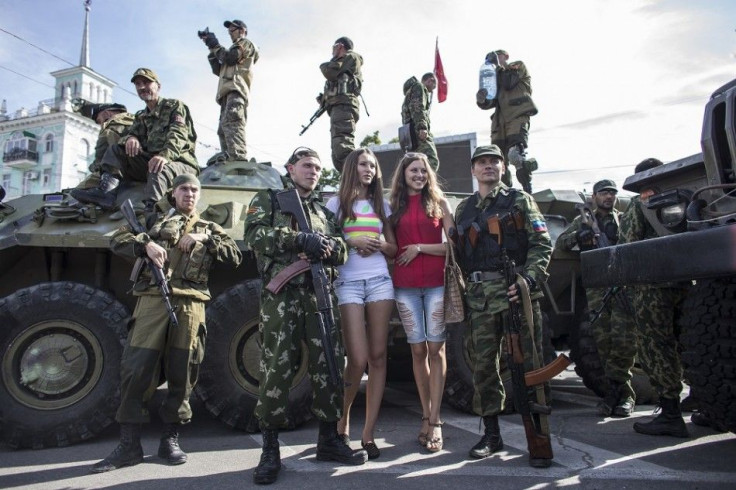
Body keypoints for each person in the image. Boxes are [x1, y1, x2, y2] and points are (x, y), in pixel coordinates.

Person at [91, 174, 242, 473]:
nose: (190, 194)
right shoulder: (151, 218)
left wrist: (204, 239)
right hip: (151, 300)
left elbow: (234, 255)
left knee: (183, 371)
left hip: (190, 305)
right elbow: (116, 238)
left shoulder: (209, 227)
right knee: (136, 368)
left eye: (195, 190)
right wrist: (144, 246)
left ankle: (170, 438)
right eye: (184, 189)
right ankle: (129, 444)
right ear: (173, 193)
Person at [244, 147, 368, 485]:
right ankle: (270, 449)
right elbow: (254, 235)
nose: (312, 171)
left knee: (328, 364)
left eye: (316, 167)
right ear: (291, 168)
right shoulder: (270, 199)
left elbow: (342, 248)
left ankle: (329, 439)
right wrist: (297, 238)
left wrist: (326, 247)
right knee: (277, 368)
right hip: (283, 296)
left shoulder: (322, 211)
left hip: (319, 295)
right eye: (306, 165)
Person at [453, 145, 552, 467]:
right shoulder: (465, 209)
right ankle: (491, 434)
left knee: (531, 367)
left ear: (503, 167)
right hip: (480, 298)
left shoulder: (520, 200)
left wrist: (529, 280)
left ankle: (538, 433)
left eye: (494, 161)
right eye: (482, 162)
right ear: (473, 170)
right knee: (484, 367)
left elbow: (542, 243)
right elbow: (459, 255)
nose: (488, 167)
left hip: (516, 294)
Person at [325, 148, 396, 460]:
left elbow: (394, 248)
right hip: (348, 283)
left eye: (373, 165)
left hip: (380, 280)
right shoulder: (335, 204)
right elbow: (326, 243)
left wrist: (380, 244)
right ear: (353, 167)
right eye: (364, 164)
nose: (369, 169)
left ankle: (368, 433)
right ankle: (342, 422)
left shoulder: (383, 204)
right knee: (357, 358)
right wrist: (350, 241)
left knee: (378, 357)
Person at [619, 158, 691, 438]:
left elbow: (628, 243)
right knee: (688, 341)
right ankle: (702, 400)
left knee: (656, 346)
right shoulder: (685, 197)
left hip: (652, 287)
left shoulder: (641, 204)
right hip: (685, 282)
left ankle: (671, 413)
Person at [388, 152, 454, 452]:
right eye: (413, 170)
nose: (419, 175)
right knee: (417, 351)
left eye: (423, 171)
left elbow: (453, 247)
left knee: (435, 349)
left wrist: (419, 248)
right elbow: (390, 247)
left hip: (437, 286)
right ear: (403, 174)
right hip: (405, 287)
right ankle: (425, 415)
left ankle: (436, 421)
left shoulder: (440, 204)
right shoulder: (393, 208)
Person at [556, 179, 638, 417]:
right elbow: (562, 243)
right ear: (594, 196)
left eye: (612, 193)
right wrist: (579, 236)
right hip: (597, 288)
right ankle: (613, 395)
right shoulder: (582, 220)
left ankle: (624, 395)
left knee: (624, 343)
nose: (608, 197)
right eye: (603, 193)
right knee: (601, 343)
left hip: (623, 285)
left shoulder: (624, 219)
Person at [71, 68, 200, 211]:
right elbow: (129, 134)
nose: (142, 87)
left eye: (146, 82)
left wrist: (165, 156)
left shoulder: (174, 107)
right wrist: (130, 138)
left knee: (158, 166)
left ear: (158, 86)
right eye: (138, 84)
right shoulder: (141, 116)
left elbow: (179, 134)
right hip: (151, 163)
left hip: (180, 163)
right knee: (116, 150)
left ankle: (152, 211)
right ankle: (106, 193)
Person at [476, 50, 538, 193]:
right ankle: (505, 193)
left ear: (506, 56)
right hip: (500, 121)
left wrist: (497, 67)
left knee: (514, 155)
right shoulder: (496, 77)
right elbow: (490, 101)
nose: (494, 59)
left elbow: (509, 82)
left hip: (517, 114)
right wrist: (482, 99)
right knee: (498, 160)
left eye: (498, 55)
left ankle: (528, 190)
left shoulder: (517, 67)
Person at [200, 19, 259, 162]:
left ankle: (238, 159)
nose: (230, 33)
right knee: (223, 129)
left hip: (236, 90)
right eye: (229, 31)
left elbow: (230, 58)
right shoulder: (235, 47)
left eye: (232, 30)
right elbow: (219, 70)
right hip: (227, 92)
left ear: (242, 30)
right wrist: (211, 49)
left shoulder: (246, 43)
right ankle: (228, 159)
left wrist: (214, 44)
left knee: (232, 122)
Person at [319, 36, 363, 172]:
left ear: (339, 46)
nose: (332, 51)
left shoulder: (351, 57)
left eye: (334, 48)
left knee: (343, 147)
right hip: (339, 107)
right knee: (338, 154)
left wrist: (332, 60)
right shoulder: (345, 63)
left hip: (344, 107)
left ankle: (355, 180)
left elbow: (329, 71)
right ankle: (348, 182)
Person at [72, 99, 134, 190]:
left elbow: (101, 156)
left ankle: (105, 193)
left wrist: (93, 167)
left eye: (99, 121)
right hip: (140, 168)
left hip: (119, 174)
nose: (101, 125)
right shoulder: (137, 121)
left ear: (107, 114)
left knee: (76, 194)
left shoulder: (110, 127)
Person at [401, 73, 440, 171]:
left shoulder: (411, 90)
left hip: (410, 133)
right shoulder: (419, 87)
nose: (432, 91)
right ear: (430, 80)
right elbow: (417, 107)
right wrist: (422, 127)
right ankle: (424, 184)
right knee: (432, 160)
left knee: (415, 161)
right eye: (433, 87)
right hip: (416, 130)